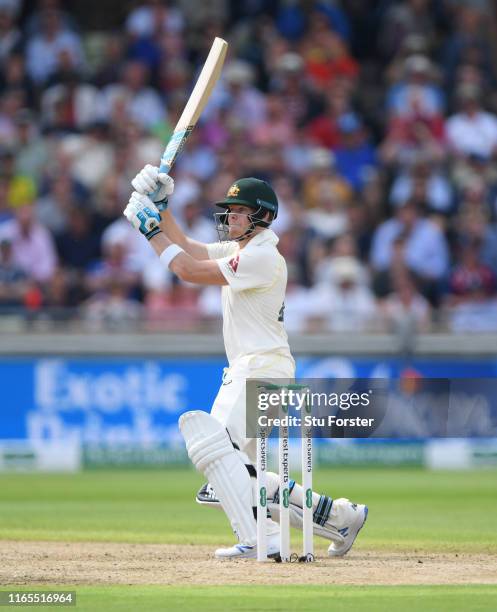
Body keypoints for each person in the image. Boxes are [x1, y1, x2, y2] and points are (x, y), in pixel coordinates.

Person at [123, 164, 368, 560]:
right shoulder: (240, 250)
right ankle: (339, 517)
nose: (231, 216)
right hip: (259, 368)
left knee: (213, 449)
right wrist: (163, 205)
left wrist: (149, 230)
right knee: (237, 474)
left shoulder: (263, 258)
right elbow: (186, 245)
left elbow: (186, 270)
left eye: (240, 210)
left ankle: (264, 536)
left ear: (265, 216)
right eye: (230, 210)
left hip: (261, 368)